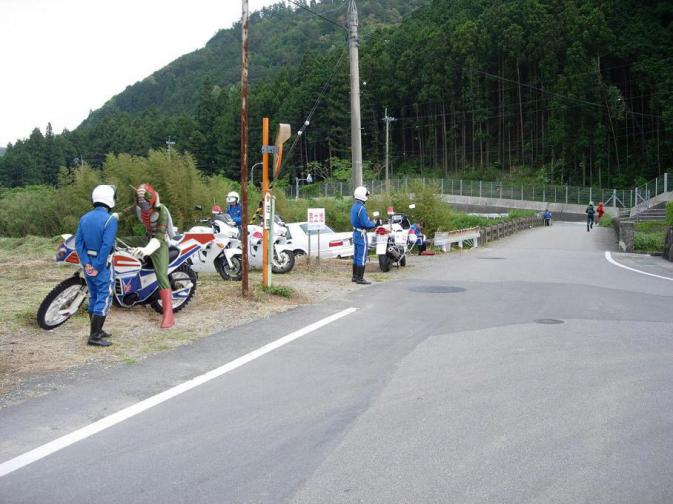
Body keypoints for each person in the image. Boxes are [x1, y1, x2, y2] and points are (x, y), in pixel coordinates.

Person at [75, 185, 118, 347]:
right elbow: (106, 246)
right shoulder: (110, 219)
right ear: (109, 199)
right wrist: (98, 266)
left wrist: (87, 263)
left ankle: (96, 331)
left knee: (93, 296)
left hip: (88, 264)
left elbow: (79, 243)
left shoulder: (84, 218)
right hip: (102, 265)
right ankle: (94, 336)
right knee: (104, 297)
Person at [131, 184, 175, 328]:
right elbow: (126, 212)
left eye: (145, 202)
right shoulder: (139, 207)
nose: (143, 206)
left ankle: (168, 314)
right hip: (147, 237)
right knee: (119, 243)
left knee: (161, 275)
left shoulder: (162, 210)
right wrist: (113, 218)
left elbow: (161, 234)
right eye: (140, 202)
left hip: (160, 241)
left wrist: (147, 250)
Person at [351, 186, 377, 284]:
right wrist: (374, 223)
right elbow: (366, 224)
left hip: (355, 233)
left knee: (356, 255)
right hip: (361, 234)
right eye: (366, 195)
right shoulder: (361, 208)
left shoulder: (354, 206)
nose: (367, 196)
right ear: (362, 195)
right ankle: (360, 278)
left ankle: (354, 276)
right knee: (362, 256)